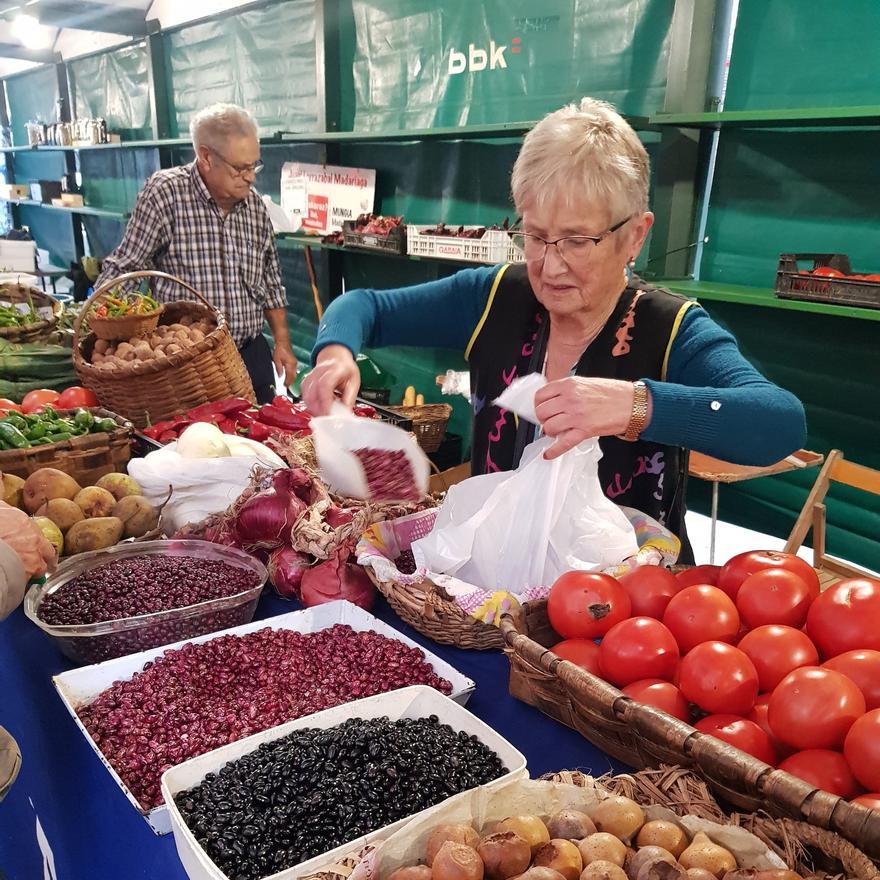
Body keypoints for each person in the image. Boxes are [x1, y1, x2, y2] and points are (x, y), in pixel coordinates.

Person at [302, 98, 806, 560]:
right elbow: (363, 306)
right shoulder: (493, 297)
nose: (550, 264)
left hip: (625, 605)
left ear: (635, 235)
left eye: (577, 241)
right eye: (536, 235)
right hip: (495, 596)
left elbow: (779, 423)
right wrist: (335, 353)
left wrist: (635, 406)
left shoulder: (671, 328)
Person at [95, 103, 297, 402]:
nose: (251, 177)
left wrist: (282, 341)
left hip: (250, 353)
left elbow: (271, 280)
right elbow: (127, 266)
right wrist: (100, 321)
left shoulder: (254, 206)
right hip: (188, 364)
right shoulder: (165, 194)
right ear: (206, 156)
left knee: (263, 426)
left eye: (254, 165)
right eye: (240, 168)